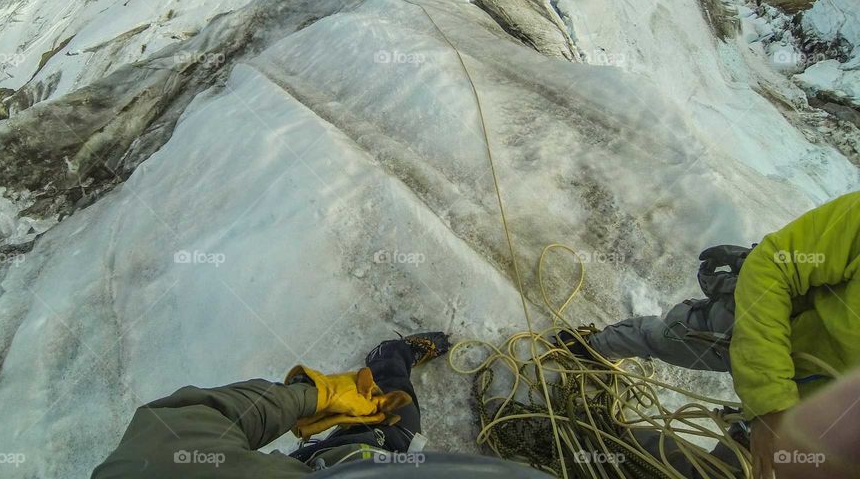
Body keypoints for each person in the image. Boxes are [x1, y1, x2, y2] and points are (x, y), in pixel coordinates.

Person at [558, 192, 860, 479]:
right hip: (764, 323)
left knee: (710, 471)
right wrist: (772, 404)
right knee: (669, 339)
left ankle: (590, 436)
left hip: (811, 426)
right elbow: (773, 267)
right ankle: (589, 348)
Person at [91, 332, 551, 477]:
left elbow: (174, 434)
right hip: (365, 455)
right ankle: (393, 358)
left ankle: (391, 355)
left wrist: (322, 396)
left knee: (391, 406)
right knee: (399, 408)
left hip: (330, 461)